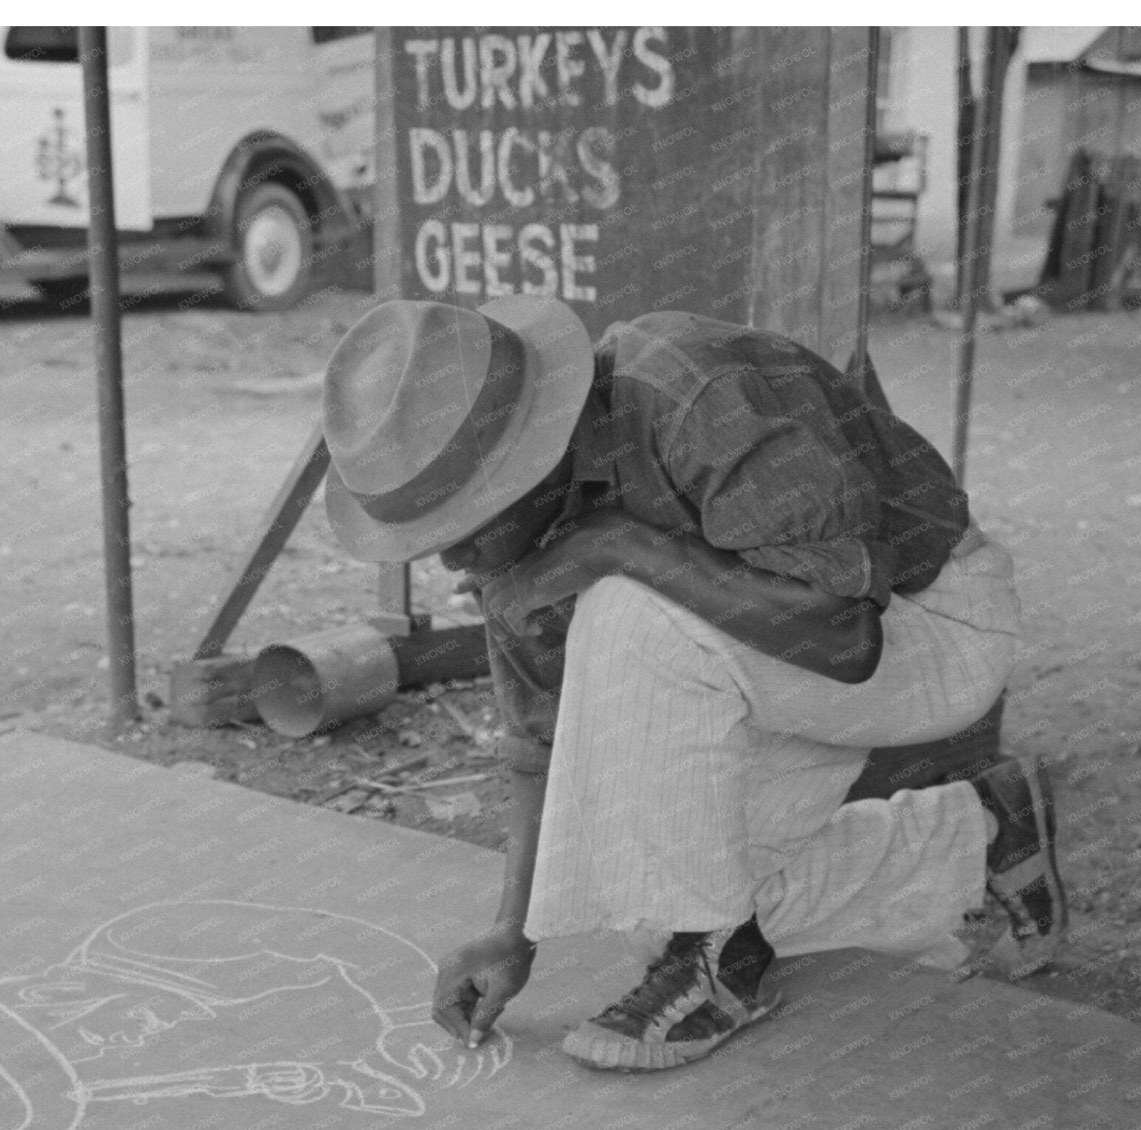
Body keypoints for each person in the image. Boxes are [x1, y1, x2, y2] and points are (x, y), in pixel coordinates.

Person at [319, 295, 1067, 1072]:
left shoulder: (697, 394)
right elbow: (540, 740)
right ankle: (978, 832)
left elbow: (847, 639)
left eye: (463, 523)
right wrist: (515, 932)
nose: (451, 559)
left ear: (526, 462)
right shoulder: (515, 534)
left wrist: (618, 547)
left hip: (931, 622)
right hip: (772, 663)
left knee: (628, 613)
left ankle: (721, 972)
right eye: (433, 536)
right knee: (660, 898)